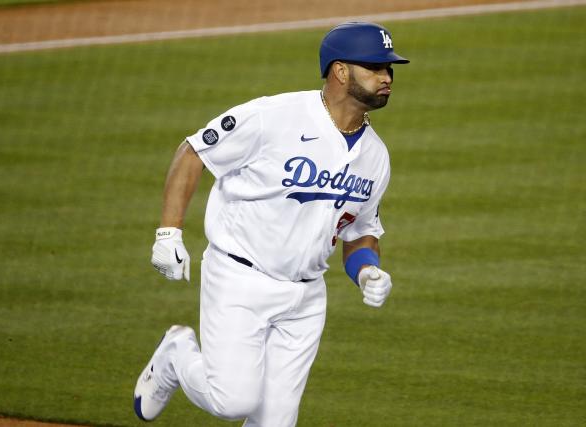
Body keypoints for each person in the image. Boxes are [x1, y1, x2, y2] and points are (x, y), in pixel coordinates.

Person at [133, 21, 409, 427]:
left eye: (390, 69)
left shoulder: (376, 157)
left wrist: (367, 270)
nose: (386, 77)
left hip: (306, 298)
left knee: (275, 423)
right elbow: (194, 152)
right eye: (375, 67)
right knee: (232, 401)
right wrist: (169, 232)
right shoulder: (273, 117)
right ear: (341, 71)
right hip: (240, 279)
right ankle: (177, 353)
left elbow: (358, 230)